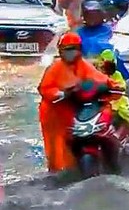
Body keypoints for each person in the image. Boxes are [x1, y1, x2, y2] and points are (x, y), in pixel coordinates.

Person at [37, 32, 118, 173]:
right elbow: (45, 89)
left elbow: (99, 78)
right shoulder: (55, 68)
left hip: (75, 110)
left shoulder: (84, 66)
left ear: (79, 49)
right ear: (60, 51)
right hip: (53, 114)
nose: (70, 53)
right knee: (57, 148)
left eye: (73, 48)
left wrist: (112, 86)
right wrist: (62, 93)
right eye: (66, 49)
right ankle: (58, 173)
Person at [97, 49, 129, 154]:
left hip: (117, 101)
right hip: (100, 102)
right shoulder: (96, 74)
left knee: (124, 115)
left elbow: (121, 86)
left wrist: (118, 88)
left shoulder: (117, 75)